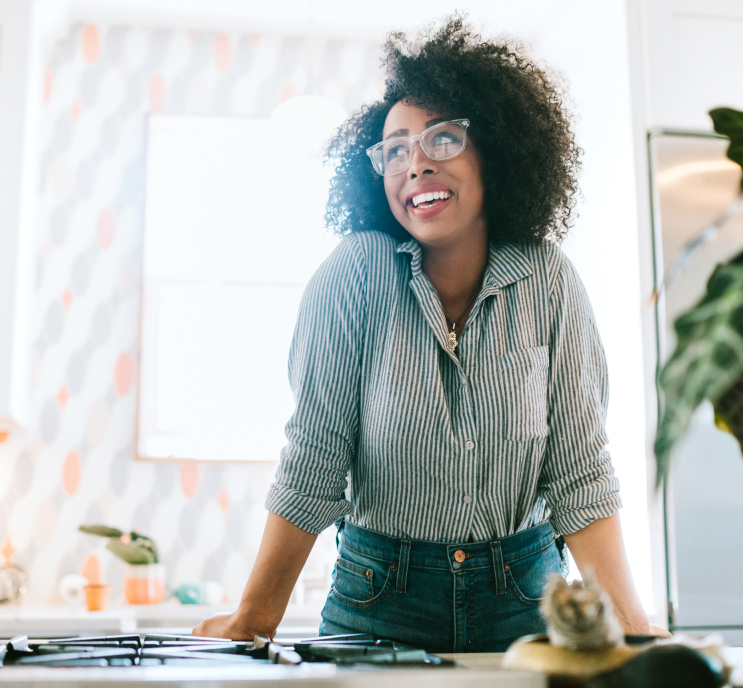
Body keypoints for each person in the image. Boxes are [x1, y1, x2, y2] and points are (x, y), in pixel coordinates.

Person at [194, 15, 655, 652]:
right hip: (380, 601)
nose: (414, 165)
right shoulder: (354, 276)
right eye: (395, 149)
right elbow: (314, 460)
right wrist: (254, 619)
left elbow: (581, 475)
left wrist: (632, 628)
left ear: (493, 149)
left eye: (441, 140)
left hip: (529, 602)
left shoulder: (549, 280)